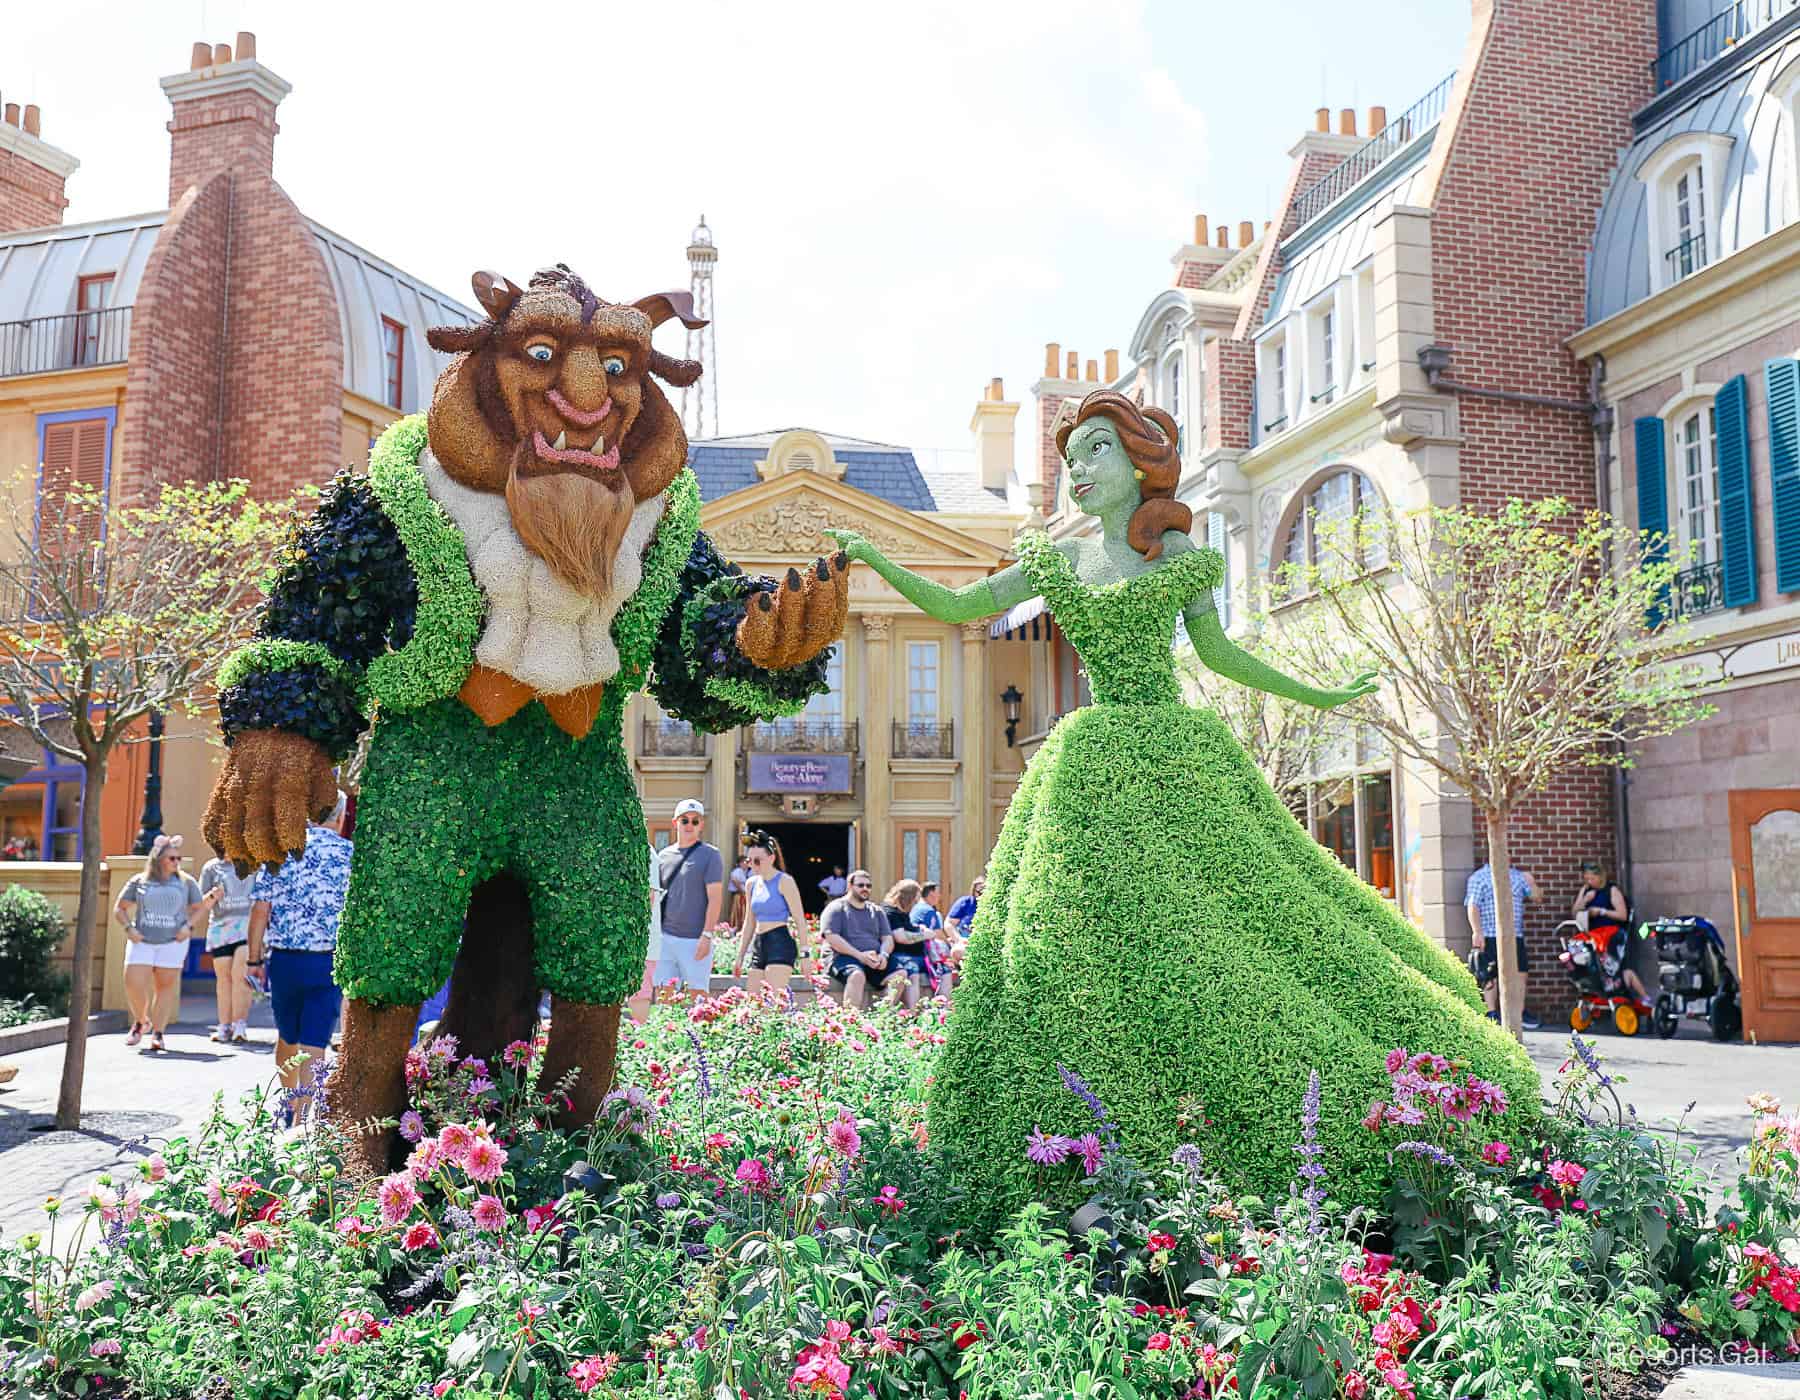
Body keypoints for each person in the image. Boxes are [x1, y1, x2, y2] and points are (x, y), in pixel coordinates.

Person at [822, 387, 1535, 1215]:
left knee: (1255, 919)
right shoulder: (1057, 562)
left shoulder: (1182, 562)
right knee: (1073, 942)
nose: (1077, 473)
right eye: (1069, 459)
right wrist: (871, 554)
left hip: (1177, 749)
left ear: (1139, 460)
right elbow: (954, 605)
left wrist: (1323, 691)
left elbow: (1223, 655)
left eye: (1095, 451)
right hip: (1090, 761)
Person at [249, 792, 353, 1122]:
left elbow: (259, 911)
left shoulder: (280, 854)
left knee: (287, 1035)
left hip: (284, 961)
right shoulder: (349, 855)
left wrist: (254, 960)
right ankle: (302, 1117)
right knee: (315, 1041)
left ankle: (289, 1104)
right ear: (339, 817)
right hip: (326, 961)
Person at [115, 834, 208, 1053]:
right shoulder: (140, 881)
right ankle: (140, 1021)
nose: (177, 862)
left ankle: (158, 1034)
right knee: (133, 982)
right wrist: (129, 929)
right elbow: (119, 908)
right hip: (143, 941)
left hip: (173, 942)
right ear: (158, 860)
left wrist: (189, 927)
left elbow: (201, 907)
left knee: (164, 988)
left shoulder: (186, 882)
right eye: (172, 858)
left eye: (178, 858)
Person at [654, 799, 723, 996]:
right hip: (665, 938)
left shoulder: (711, 855)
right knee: (663, 997)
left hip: (695, 939)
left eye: (695, 821)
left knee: (699, 999)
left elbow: (715, 899)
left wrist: (707, 935)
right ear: (675, 823)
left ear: (702, 825)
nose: (690, 825)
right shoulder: (664, 856)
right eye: (685, 820)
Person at [1465, 859, 1543, 1029]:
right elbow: (1473, 905)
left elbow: (1537, 901)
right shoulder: (1479, 877)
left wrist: (1532, 883)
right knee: (1489, 975)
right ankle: (1491, 1013)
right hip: (1490, 935)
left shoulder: (1517, 877)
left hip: (1515, 935)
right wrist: (1477, 931)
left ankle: (1519, 1013)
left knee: (1520, 974)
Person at [733, 830, 806, 1001]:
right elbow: (749, 922)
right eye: (749, 861)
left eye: (757, 861)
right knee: (753, 1003)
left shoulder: (785, 881)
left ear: (771, 858)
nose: (752, 865)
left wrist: (805, 955)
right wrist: (740, 955)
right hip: (760, 943)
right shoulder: (751, 883)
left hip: (779, 942)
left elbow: (800, 920)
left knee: (774, 1003)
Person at [199, 853, 258, 1044]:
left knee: (240, 975)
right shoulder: (211, 868)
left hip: (246, 925)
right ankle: (224, 1026)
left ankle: (239, 1024)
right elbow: (203, 904)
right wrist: (213, 895)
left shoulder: (253, 863)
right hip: (220, 928)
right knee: (223, 979)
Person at [820, 869, 900, 1009]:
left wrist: (884, 955)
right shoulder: (836, 908)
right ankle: (851, 1021)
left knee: (900, 975)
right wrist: (860, 956)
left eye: (868, 886)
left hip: (873, 957)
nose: (865, 889)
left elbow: (888, 938)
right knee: (857, 975)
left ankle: (882, 1017)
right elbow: (832, 937)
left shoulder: (876, 911)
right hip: (843, 957)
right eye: (861, 885)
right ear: (850, 886)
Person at [1574, 859, 1646, 1002]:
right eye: (1586, 878)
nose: (1589, 881)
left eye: (1592, 878)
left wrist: (1601, 912)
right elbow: (1574, 913)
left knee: (1614, 969)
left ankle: (1644, 998)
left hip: (1611, 934)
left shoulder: (1611, 890)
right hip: (1594, 936)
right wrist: (1584, 901)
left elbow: (1622, 914)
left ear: (1600, 877)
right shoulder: (1586, 890)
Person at [627, 841, 664, 1023]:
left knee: (639, 994)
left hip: (642, 943)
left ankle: (639, 1045)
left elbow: (647, 897)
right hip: (627, 941)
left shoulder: (644, 850)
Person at [881, 878, 929, 1009]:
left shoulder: (902, 912)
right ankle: (912, 1014)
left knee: (944, 968)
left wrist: (919, 928)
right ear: (908, 898)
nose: (916, 903)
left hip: (913, 955)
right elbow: (901, 937)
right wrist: (924, 935)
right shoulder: (890, 912)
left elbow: (906, 927)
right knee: (912, 972)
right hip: (899, 955)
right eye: (915, 900)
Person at [910, 881, 952, 995]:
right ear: (931, 894)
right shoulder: (928, 910)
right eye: (938, 893)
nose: (939, 896)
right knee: (947, 969)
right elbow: (938, 934)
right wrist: (949, 943)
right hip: (924, 953)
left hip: (914, 949)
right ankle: (945, 1005)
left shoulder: (916, 908)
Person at [943, 876, 984, 968]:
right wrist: (958, 939)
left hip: (983, 943)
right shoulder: (966, 903)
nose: (981, 895)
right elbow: (949, 923)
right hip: (964, 941)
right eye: (979, 892)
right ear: (973, 891)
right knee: (957, 951)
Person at [727, 854, 752, 929]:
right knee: (737, 912)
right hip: (739, 895)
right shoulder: (738, 871)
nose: (746, 864)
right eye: (745, 862)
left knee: (744, 912)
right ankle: (735, 927)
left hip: (744, 895)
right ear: (740, 863)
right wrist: (742, 892)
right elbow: (735, 881)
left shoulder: (747, 872)